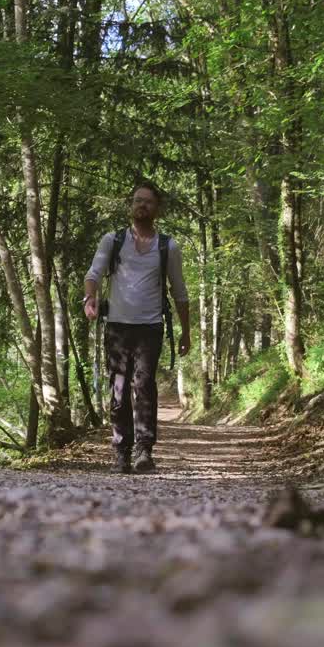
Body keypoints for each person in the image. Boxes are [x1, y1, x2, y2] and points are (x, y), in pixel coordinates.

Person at [83, 180, 191, 473]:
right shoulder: (113, 240)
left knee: (143, 386)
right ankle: (121, 452)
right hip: (117, 327)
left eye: (148, 201)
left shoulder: (168, 246)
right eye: (137, 200)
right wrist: (89, 299)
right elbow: (94, 274)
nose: (141, 205)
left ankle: (144, 450)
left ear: (157, 209)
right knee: (118, 390)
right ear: (130, 206)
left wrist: (186, 331)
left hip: (150, 327)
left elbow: (179, 291)